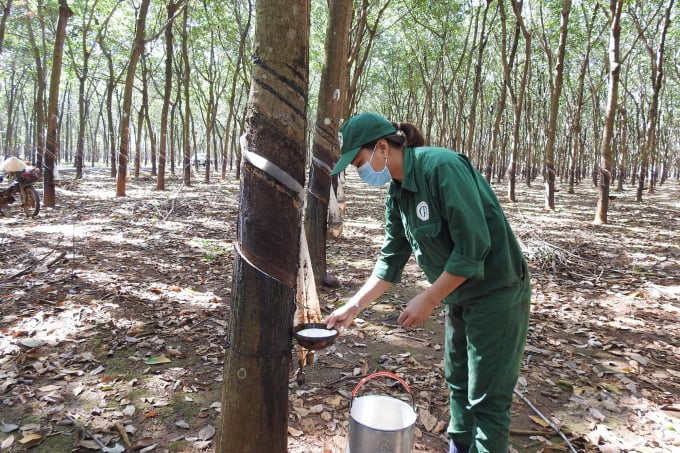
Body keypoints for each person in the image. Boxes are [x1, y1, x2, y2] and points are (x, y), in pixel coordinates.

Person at [325, 112, 531, 453]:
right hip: (459, 295)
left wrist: (429, 299)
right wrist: (353, 306)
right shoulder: (398, 194)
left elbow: (473, 248)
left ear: (381, 147)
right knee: (459, 381)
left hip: (497, 293)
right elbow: (390, 261)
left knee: (488, 398)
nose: (360, 171)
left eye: (360, 161)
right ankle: (459, 446)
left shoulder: (441, 168)